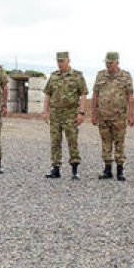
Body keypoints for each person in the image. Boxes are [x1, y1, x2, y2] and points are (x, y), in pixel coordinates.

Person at [43, 51, 87, 180]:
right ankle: (55, 169)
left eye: (62, 61)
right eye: (58, 61)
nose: (60, 64)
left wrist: (81, 112)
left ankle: (74, 170)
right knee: (55, 142)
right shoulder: (53, 76)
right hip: (55, 115)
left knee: (72, 141)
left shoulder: (77, 76)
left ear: (68, 61)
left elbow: (83, 94)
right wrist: (45, 112)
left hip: (70, 114)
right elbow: (48, 94)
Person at [91, 51, 134, 181]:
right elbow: (95, 96)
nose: (108, 65)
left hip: (119, 117)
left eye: (111, 63)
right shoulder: (100, 75)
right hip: (103, 116)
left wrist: (131, 115)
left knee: (119, 143)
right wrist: (93, 113)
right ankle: (107, 169)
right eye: (107, 62)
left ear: (117, 62)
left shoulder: (125, 76)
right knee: (106, 143)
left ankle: (120, 170)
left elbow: (130, 96)